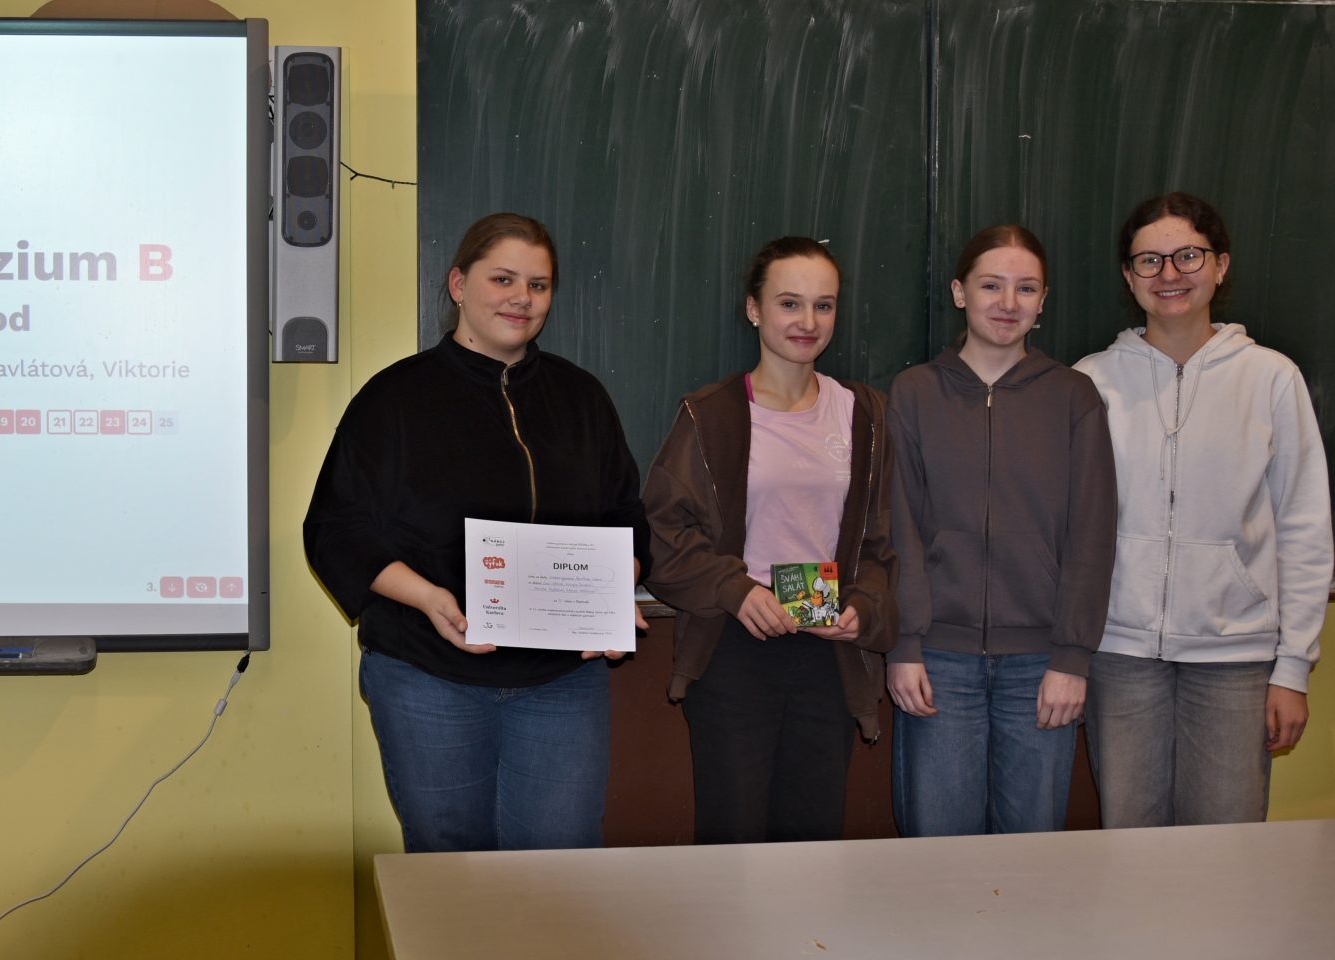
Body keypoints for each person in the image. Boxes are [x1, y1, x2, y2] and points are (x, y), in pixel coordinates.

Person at [302, 212, 651, 852]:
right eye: (503, 279)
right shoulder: (394, 398)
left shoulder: (582, 399)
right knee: (450, 869)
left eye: (539, 285)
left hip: (561, 684)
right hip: (427, 677)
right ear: (459, 285)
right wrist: (429, 599)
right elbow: (336, 528)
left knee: (560, 872)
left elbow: (626, 517)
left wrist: (609, 597)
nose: (522, 298)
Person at [1073, 192, 1332, 827]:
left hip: (1235, 659)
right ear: (1128, 276)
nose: (1170, 274)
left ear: (1220, 264)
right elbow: (1067, 528)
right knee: (1129, 842)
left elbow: (1303, 526)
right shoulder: (1091, 382)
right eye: (1149, 260)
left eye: (1188, 255)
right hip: (1121, 655)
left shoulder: (1272, 378)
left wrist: (1293, 668)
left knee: (1227, 848)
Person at [643, 236, 896, 844]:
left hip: (828, 651)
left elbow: (882, 541)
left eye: (823, 305)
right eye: (789, 303)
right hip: (735, 647)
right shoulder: (710, 415)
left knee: (813, 840)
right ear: (754, 309)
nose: (808, 321)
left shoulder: (864, 413)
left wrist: (864, 607)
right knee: (732, 840)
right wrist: (735, 590)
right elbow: (663, 532)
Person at [884, 224, 1117, 836]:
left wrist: (1072, 657)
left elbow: (1092, 534)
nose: (1008, 303)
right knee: (938, 850)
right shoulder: (913, 393)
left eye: (1026, 288)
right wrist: (904, 645)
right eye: (991, 285)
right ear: (960, 292)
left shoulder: (1074, 397)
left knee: (1030, 856)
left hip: (1042, 667)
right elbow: (899, 527)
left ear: (1044, 301)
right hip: (937, 662)